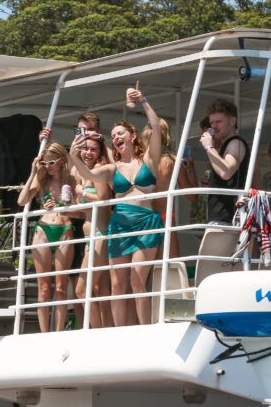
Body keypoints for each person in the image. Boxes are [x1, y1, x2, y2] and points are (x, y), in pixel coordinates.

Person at [69, 81, 162, 326]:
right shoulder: (112, 169)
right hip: (119, 224)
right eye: (113, 136)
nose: (116, 137)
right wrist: (73, 155)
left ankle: (145, 330)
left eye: (120, 133)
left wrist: (142, 100)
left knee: (137, 279)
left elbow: (155, 126)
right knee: (117, 283)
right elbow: (88, 176)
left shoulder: (148, 161)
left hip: (146, 222)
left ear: (132, 136)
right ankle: (119, 332)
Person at [17, 142, 77, 332]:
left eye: (50, 163)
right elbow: (22, 200)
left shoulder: (72, 179)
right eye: (44, 163)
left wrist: (66, 204)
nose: (47, 167)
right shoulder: (41, 180)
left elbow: (81, 210)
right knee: (43, 288)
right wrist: (33, 171)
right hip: (43, 229)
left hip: (65, 229)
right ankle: (44, 333)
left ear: (61, 161)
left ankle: (58, 331)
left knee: (60, 288)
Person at [141, 118, 198, 259]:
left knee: (144, 271)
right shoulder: (172, 162)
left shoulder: (137, 161)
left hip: (143, 217)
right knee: (170, 267)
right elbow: (192, 196)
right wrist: (191, 170)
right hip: (164, 217)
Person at [73, 134, 113, 328]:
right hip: (91, 237)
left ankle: (96, 332)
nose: (88, 152)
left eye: (93, 149)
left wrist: (81, 193)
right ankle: (102, 330)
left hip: (99, 235)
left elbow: (103, 199)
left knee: (82, 290)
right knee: (97, 290)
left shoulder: (97, 170)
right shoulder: (84, 172)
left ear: (99, 153)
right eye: (85, 148)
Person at [199, 98, 253, 225]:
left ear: (232, 121)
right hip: (222, 217)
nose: (214, 126)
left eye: (218, 121)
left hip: (228, 218)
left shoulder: (235, 143)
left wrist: (209, 147)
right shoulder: (226, 146)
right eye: (212, 122)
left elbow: (226, 172)